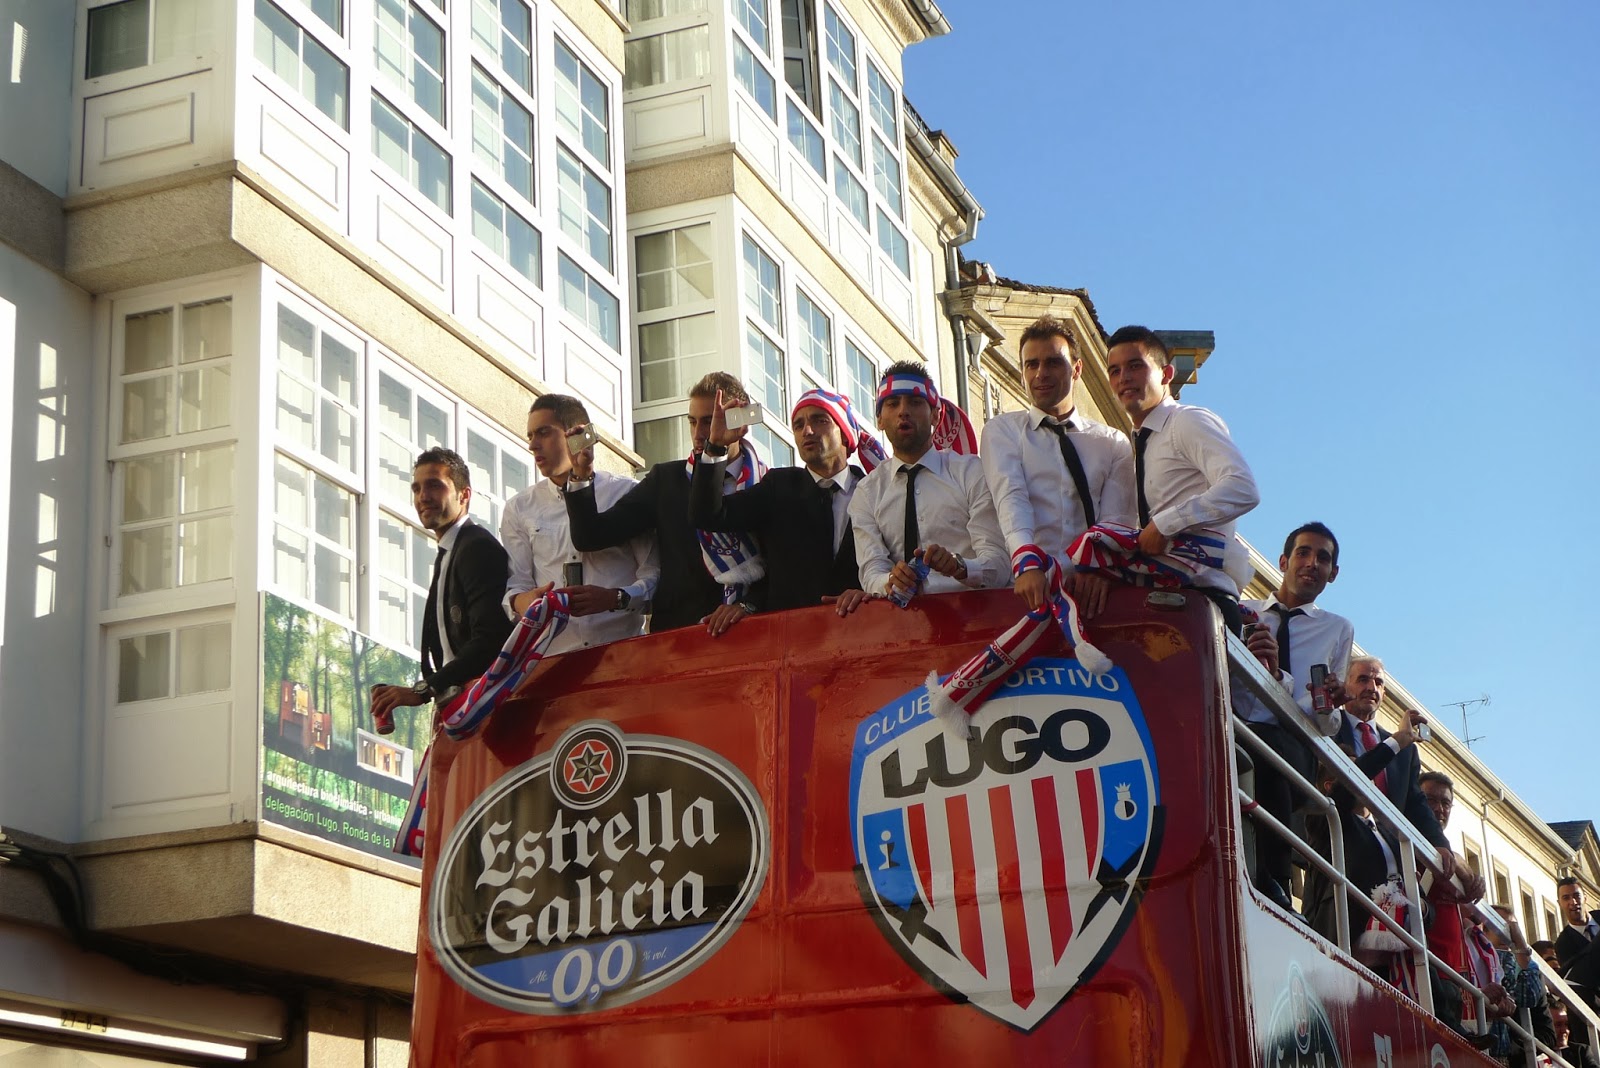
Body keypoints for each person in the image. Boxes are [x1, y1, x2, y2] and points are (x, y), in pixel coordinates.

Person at [565, 372, 765, 637]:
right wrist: (581, 475)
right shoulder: (667, 480)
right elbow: (590, 536)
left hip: (753, 635)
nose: (698, 433)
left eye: (709, 421)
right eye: (692, 422)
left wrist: (747, 605)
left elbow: (786, 570)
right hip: (678, 638)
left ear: (739, 423)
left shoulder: (768, 483)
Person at [979, 315, 1136, 617]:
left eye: (1053, 362)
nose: (1041, 373)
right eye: (1031, 364)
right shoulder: (1003, 430)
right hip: (1023, 592)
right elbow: (1010, 495)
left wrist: (1099, 570)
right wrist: (1026, 560)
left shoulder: (1112, 442)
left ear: (1077, 369)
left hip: (1091, 598)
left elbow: (1118, 519)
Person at [1105, 324, 1259, 630]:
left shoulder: (1187, 421)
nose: (1124, 378)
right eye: (1114, 370)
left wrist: (1166, 523)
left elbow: (1242, 487)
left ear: (1166, 375)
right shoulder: (1135, 445)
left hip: (1202, 603)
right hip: (1160, 603)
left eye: (1135, 366)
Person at [1235, 522, 1352, 908]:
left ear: (1332, 574)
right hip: (1234, 726)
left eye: (1323, 558)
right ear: (1284, 560)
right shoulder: (1240, 610)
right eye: (1303, 552)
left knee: (1271, 747)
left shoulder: (1337, 629)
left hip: (1295, 747)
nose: (1312, 563)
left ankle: (1278, 879)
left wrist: (1329, 704)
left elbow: (1322, 724)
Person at [500, 394, 659, 655]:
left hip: (621, 655)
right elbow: (515, 587)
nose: (533, 445)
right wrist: (523, 602)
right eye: (530, 436)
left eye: (543, 433)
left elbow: (653, 576)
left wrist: (614, 598)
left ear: (576, 435)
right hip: (553, 662)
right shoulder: (520, 507)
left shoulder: (625, 493)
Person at [689, 390, 869, 616]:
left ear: (845, 434)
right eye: (798, 425)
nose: (807, 431)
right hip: (793, 638)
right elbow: (708, 515)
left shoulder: (872, 490)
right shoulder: (779, 486)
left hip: (861, 633)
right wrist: (715, 446)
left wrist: (869, 592)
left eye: (820, 420)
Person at [370, 448, 513, 724]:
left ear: (464, 495)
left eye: (435, 485)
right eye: (417, 488)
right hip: (463, 710)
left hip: (485, 710)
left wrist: (424, 690)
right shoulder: (452, 550)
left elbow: (491, 639)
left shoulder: (477, 547)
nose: (423, 497)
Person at [850, 362, 1007, 601]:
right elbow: (871, 571)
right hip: (900, 628)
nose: (903, 411)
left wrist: (960, 568)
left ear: (936, 414)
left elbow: (999, 564)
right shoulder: (867, 492)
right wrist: (891, 581)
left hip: (973, 621)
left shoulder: (971, 472)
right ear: (879, 419)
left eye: (915, 402)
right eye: (892, 404)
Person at [1557, 876, 1600, 1011]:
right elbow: (1578, 980)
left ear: (1585, 898)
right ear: (1559, 903)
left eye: (1577, 896)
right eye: (1566, 898)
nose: (1573, 902)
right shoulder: (1563, 944)